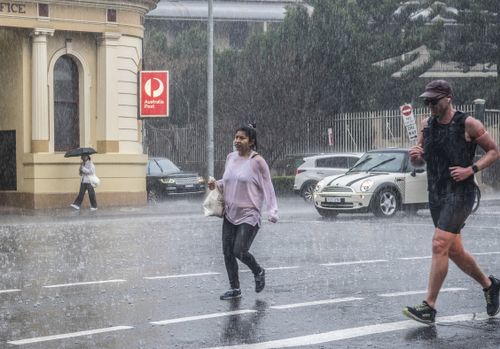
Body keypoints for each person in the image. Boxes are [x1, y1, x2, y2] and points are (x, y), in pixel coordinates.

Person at [403, 79, 500, 324]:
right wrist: (416, 157)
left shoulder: (468, 123)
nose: (430, 105)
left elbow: (494, 151)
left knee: (438, 244)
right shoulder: (427, 125)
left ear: (448, 98)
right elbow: (420, 160)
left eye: (434, 101)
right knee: (454, 250)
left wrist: (471, 169)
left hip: (462, 193)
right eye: (427, 101)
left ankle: (429, 306)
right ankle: (490, 286)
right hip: (436, 193)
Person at [208, 125, 278, 300]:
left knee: (240, 250)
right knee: (227, 251)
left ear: (251, 141)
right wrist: (215, 184)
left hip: (249, 214)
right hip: (230, 212)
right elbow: (228, 181)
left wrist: (272, 210)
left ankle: (258, 271)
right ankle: (235, 288)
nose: (237, 141)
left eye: (242, 138)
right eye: (236, 137)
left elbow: (267, 186)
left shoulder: (257, 161)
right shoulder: (230, 158)